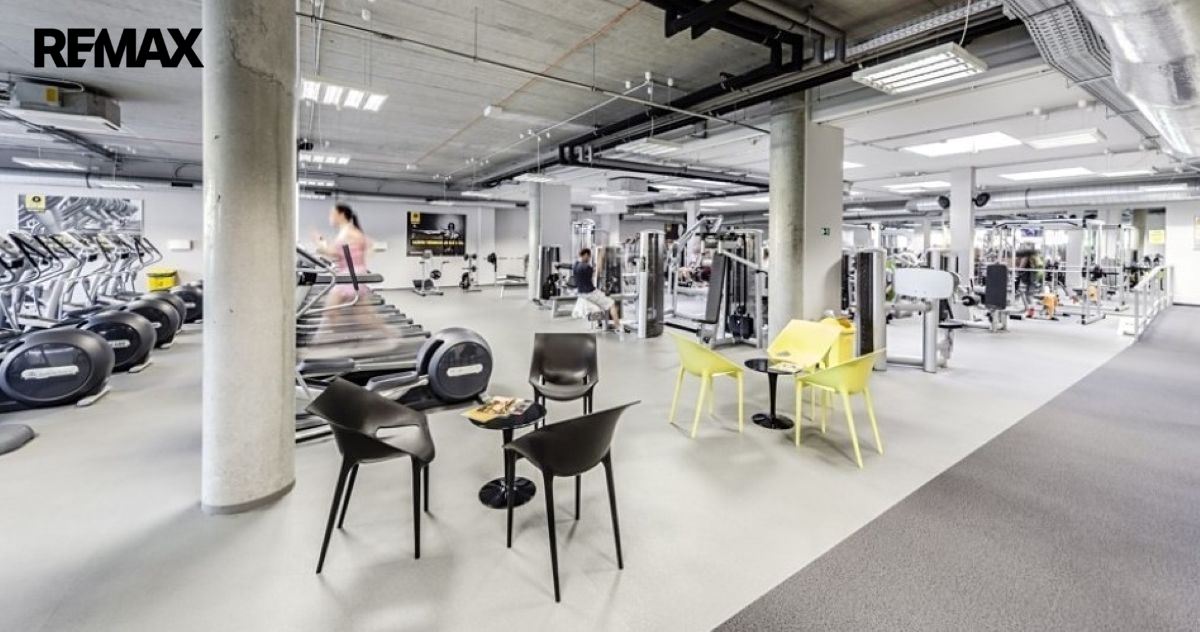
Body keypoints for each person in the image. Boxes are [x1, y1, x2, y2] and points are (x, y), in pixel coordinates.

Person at [573, 248, 620, 329]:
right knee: (612, 304)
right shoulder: (586, 267)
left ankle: (600, 322)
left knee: (601, 305)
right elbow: (598, 272)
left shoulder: (575, 265)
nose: (589, 259)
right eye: (589, 257)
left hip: (582, 294)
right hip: (590, 293)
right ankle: (618, 327)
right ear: (586, 255)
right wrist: (601, 256)